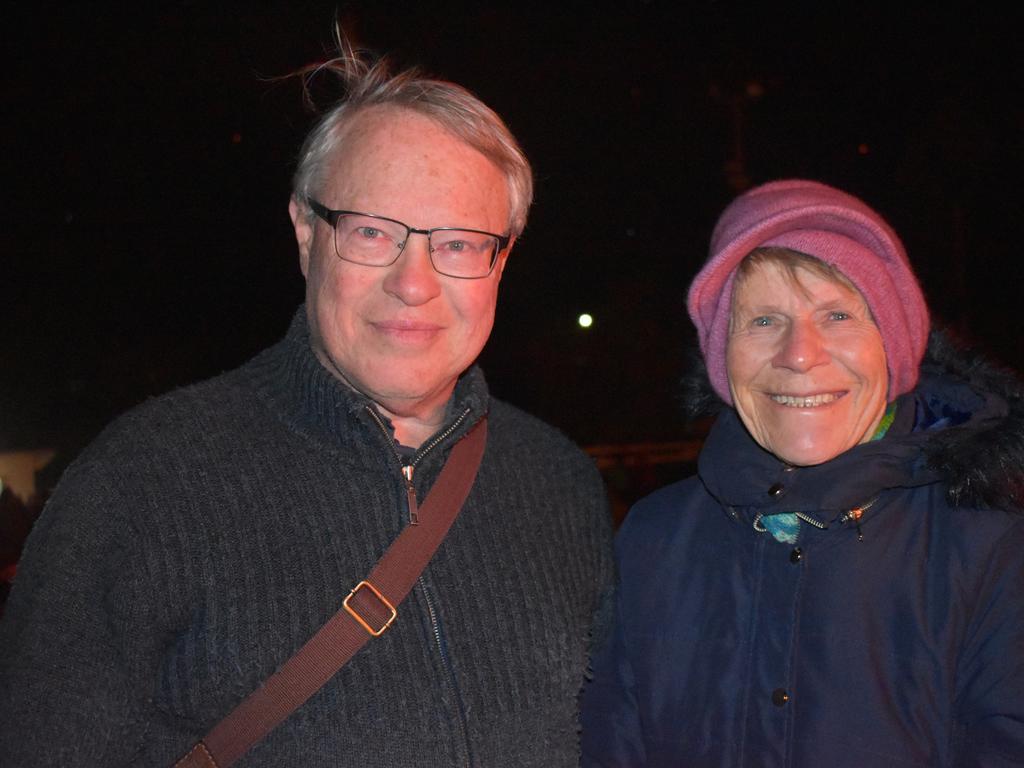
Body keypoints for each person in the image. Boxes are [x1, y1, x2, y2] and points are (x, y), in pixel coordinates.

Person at [0, 39, 612, 767]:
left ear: (501, 261)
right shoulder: (144, 484)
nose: (412, 283)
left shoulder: (561, 486)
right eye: (373, 232)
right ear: (304, 232)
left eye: (457, 243)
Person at [581, 179, 1024, 767]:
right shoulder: (655, 540)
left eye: (837, 315)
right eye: (763, 320)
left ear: (891, 348)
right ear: (721, 357)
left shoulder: (990, 544)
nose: (799, 353)